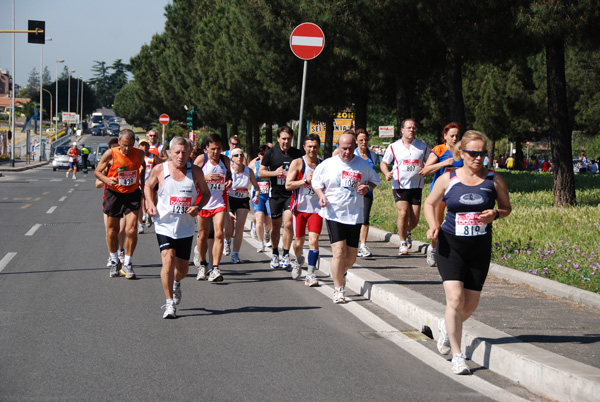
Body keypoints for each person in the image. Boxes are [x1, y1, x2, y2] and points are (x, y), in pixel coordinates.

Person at [423, 130, 511, 375]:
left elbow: (506, 208)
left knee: (470, 305)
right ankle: (458, 356)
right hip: (451, 246)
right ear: (462, 153)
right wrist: (433, 226)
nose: (478, 158)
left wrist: (495, 214)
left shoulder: (494, 179)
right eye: (473, 153)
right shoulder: (448, 179)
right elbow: (430, 203)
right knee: (454, 300)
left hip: (479, 248)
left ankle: (446, 326)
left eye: (482, 153)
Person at [145, 136, 210, 319]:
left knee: (182, 270)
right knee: (168, 259)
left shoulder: (195, 172)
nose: (181, 156)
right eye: (177, 153)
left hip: (185, 227)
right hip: (164, 224)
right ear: (170, 153)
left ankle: (176, 283)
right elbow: (148, 186)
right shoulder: (160, 169)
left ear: (190, 152)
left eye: (184, 152)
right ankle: (169, 303)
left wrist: (198, 206)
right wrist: (150, 202)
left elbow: (205, 193)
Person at [312, 132, 381, 303]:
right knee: (339, 252)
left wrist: (367, 188)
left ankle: (341, 272)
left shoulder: (363, 165)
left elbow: (375, 181)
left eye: (350, 149)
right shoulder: (328, 164)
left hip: (354, 215)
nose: (347, 152)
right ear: (338, 147)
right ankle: (338, 289)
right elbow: (316, 182)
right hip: (334, 213)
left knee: (350, 257)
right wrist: (321, 195)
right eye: (344, 149)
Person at [94, 129, 145, 279]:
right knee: (112, 230)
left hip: (132, 194)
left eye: (130, 145)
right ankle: (114, 259)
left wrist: (141, 182)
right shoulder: (111, 153)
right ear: (119, 143)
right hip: (114, 194)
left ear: (134, 143)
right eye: (124, 145)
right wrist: (106, 179)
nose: (127, 149)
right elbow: (97, 171)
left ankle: (128, 263)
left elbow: (142, 166)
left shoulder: (139, 153)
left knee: (131, 229)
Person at [380, 119, 431, 255]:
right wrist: (386, 173)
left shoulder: (422, 146)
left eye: (413, 128)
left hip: (416, 185)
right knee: (403, 213)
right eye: (409, 128)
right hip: (399, 185)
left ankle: (406, 231)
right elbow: (384, 163)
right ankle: (402, 242)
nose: (411, 130)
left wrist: (426, 168)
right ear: (402, 130)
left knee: (414, 220)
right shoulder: (393, 147)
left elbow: (431, 160)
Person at [259, 126, 302, 269]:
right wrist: (275, 173)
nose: (286, 141)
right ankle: (275, 253)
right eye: (283, 138)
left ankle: (285, 254)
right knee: (276, 226)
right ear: (278, 139)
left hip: (290, 194)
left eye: (289, 139)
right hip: (275, 195)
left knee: (289, 224)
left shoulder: (297, 154)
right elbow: (261, 172)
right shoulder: (271, 153)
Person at [421, 122, 463, 267]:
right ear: (444, 136)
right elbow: (425, 171)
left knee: (456, 224)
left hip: (456, 193)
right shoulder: (438, 150)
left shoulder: (463, 151)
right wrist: (444, 163)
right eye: (451, 135)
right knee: (437, 224)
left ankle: (454, 252)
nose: (454, 138)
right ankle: (433, 249)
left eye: (457, 136)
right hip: (440, 193)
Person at [193, 133, 232, 282]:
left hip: (219, 202)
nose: (216, 152)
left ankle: (215, 268)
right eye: (213, 149)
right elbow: (190, 179)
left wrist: (228, 181)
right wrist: (204, 178)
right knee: (203, 235)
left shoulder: (225, 160)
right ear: (206, 149)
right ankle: (202, 264)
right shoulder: (201, 160)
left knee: (219, 234)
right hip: (203, 202)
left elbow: (229, 177)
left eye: (219, 149)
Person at [285, 134, 322, 285]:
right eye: (309, 146)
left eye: (315, 146)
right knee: (298, 243)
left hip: (317, 209)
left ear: (319, 147)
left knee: (313, 240)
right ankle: (298, 260)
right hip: (299, 208)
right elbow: (288, 185)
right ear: (304, 147)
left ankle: (311, 274)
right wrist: (304, 181)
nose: (312, 149)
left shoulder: (322, 164)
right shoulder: (298, 163)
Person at [225, 148, 260, 264]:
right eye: (236, 155)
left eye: (241, 155)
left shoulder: (248, 171)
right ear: (232, 158)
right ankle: (227, 240)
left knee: (239, 229)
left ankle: (235, 254)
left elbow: (256, 186)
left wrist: (256, 196)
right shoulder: (228, 171)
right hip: (230, 199)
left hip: (243, 200)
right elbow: (224, 189)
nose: (239, 157)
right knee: (229, 230)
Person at [96, 138, 126, 267]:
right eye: (112, 149)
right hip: (110, 201)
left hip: (127, 199)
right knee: (110, 230)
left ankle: (120, 251)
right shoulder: (106, 165)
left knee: (122, 230)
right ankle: (112, 255)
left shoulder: (127, 161)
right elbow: (97, 184)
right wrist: (107, 179)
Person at [248, 144, 273, 251]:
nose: (264, 156)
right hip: (258, 196)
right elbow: (246, 174)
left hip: (269, 195)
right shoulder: (254, 164)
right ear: (259, 155)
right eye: (262, 154)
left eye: (266, 154)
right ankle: (261, 243)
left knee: (269, 220)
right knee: (259, 218)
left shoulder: (273, 165)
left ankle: (267, 231)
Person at [137, 139, 156, 233]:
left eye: (146, 145)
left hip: (150, 183)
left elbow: (159, 167)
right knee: (140, 201)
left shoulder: (153, 157)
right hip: (138, 183)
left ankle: (148, 214)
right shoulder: (136, 156)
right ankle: (141, 224)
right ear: (139, 146)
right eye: (142, 145)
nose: (144, 147)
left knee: (150, 199)